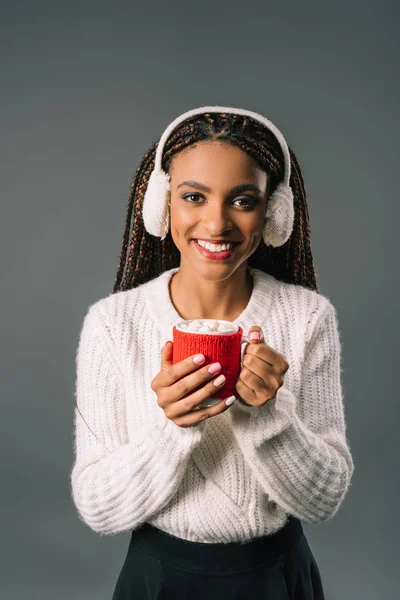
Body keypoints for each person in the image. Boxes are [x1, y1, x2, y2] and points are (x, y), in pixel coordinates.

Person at [70, 106, 354, 599]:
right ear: (161, 205)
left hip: (276, 579)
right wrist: (170, 429)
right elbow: (98, 507)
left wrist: (270, 417)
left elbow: (324, 500)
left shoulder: (309, 318)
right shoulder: (113, 325)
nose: (216, 222)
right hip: (160, 579)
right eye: (194, 196)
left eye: (243, 200)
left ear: (275, 213)